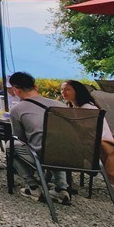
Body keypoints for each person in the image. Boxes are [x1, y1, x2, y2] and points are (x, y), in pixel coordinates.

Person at [8, 71, 70, 203]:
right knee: (57, 145)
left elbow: (20, 137)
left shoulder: (17, 109)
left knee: (10, 145)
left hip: (42, 156)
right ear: (35, 87)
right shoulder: (61, 106)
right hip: (69, 156)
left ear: (16, 90)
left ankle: (33, 187)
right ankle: (61, 189)